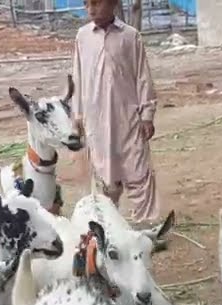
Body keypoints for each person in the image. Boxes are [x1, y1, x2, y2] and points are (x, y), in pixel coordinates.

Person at [72, 0, 160, 223]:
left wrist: (147, 114)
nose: (91, 9)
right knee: (105, 174)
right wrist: (77, 116)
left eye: (97, 3)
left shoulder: (130, 36)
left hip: (128, 117)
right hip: (96, 119)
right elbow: (78, 78)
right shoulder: (83, 37)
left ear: (113, 4)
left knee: (137, 169)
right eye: (87, 4)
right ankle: (110, 224)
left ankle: (146, 223)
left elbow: (142, 77)